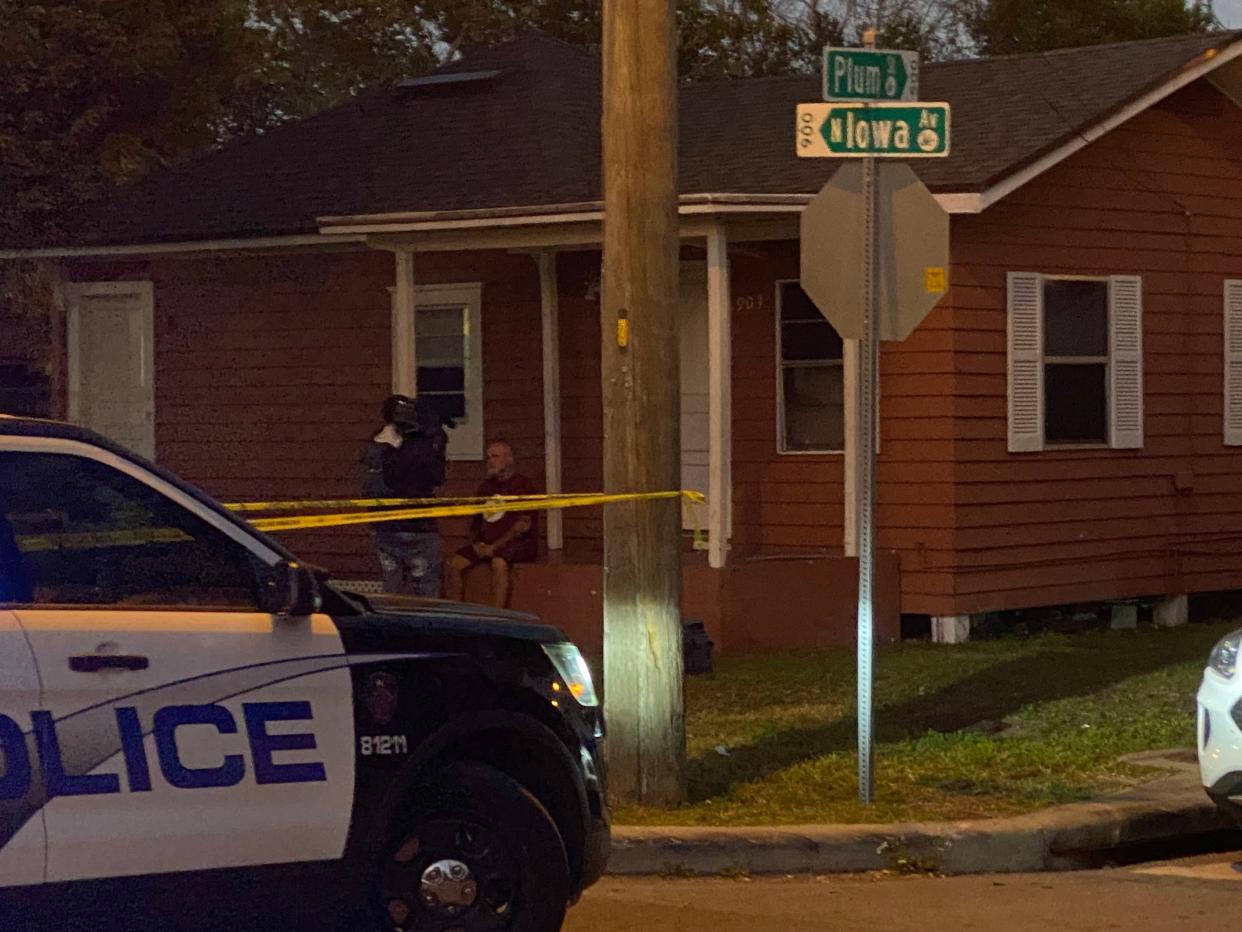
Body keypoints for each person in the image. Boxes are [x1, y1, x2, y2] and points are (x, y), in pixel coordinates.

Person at [361, 394, 451, 598]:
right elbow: (436, 476)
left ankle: (394, 622)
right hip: (416, 526)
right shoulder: (421, 445)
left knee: (392, 586)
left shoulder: (377, 442)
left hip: (383, 526)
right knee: (426, 586)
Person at [445, 440, 537, 608]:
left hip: (514, 543)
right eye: (488, 457)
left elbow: (522, 526)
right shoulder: (486, 487)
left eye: (495, 456)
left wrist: (494, 546)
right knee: (454, 563)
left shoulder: (523, 485)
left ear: (509, 459)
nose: (490, 461)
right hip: (486, 543)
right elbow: (477, 521)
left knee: (499, 563)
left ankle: (498, 612)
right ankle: (455, 608)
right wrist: (476, 543)